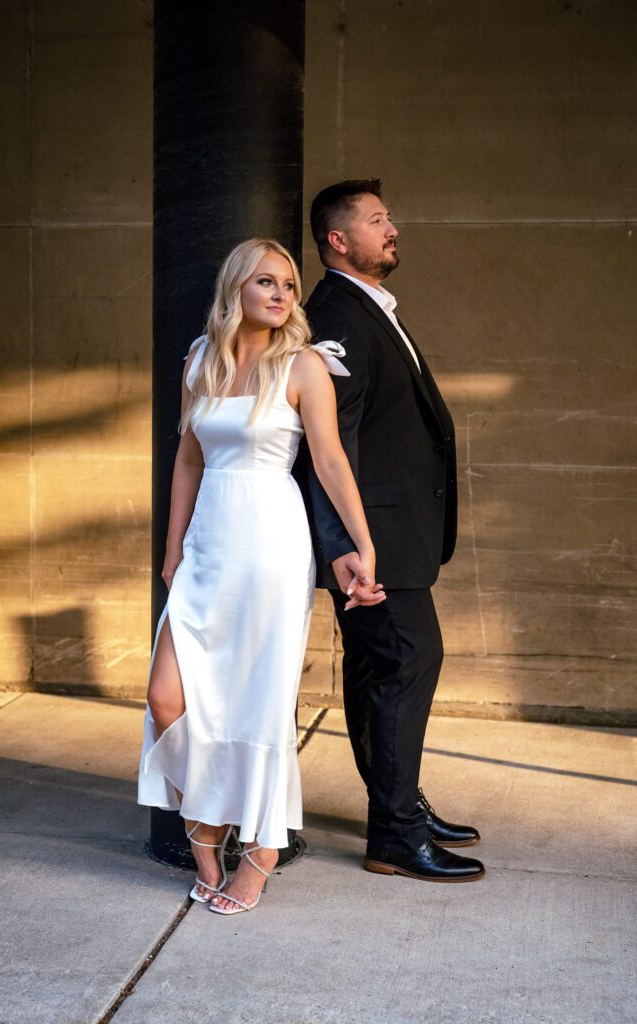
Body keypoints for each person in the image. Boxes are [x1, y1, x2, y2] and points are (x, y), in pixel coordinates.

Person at [137, 238, 385, 916]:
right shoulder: (200, 358)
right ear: (236, 290)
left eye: (288, 285)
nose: (281, 295)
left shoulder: (301, 366)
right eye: (266, 283)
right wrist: (171, 549)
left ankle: (261, 850)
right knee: (167, 699)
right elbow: (188, 461)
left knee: (258, 704)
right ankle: (208, 835)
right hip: (206, 547)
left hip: (272, 545)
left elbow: (330, 463)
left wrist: (362, 545)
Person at [296, 179, 485, 882]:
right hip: (373, 541)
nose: (392, 228)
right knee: (409, 660)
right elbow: (325, 443)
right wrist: (347, 546)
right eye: (377, 220)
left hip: (390, 534)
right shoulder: (336, 318)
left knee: (381, 668)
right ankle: (396, 835)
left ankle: (397, 805)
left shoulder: (368, 308)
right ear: (337, 240)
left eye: (389, 217)